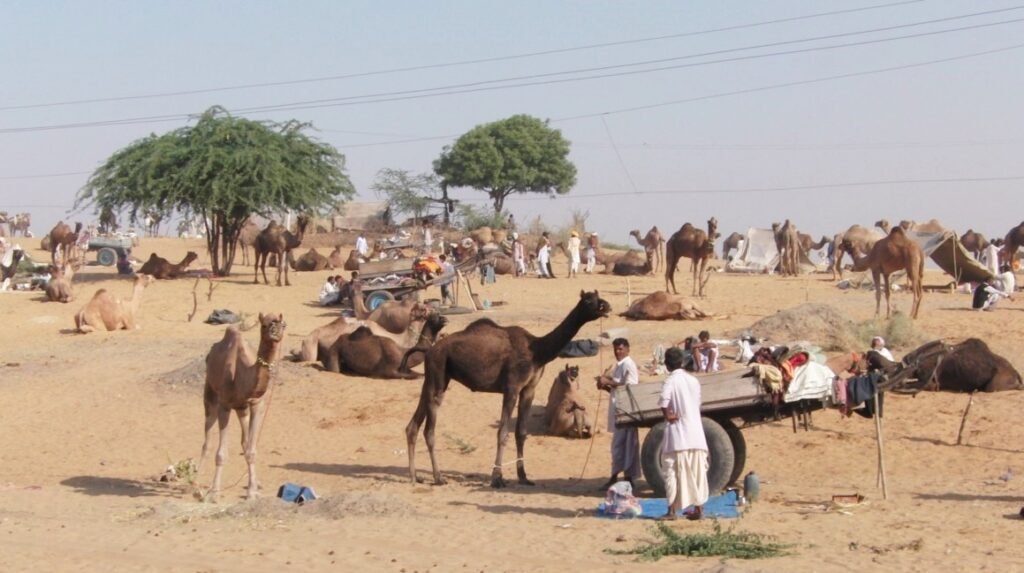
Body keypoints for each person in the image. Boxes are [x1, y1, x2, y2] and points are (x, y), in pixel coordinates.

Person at [657, 346, 709, 521]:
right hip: (696, 432)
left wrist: (668, 415)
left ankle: (671, 511)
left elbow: (664, 401)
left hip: (678, 434)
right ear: (681, 362)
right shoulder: (693, 380)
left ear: (667, 364)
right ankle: (699, 509)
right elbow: (698, 403)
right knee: (697, 472)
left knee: (671, 471)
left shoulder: (670, 381)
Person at [595, 338, 641, 490]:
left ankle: (621, 478)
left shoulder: (628, 364)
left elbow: (631, 387)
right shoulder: (619, 366)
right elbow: (617, 391)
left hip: (626, 412)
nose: (617, 352)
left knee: (624, 445)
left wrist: (609, 381)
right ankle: (619, 477)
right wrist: (605, 386)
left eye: (620, 349)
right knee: (620, 445)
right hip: (618, 411)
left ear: (627, 349)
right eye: (615, 349)